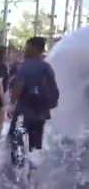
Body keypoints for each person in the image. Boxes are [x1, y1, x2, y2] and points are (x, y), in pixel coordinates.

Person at [8, 37, 59, 168]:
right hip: (41, 113)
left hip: (24, 111)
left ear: (33, 48)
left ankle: (17, 173)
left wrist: (11, 105)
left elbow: (19, 86)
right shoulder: (47, 67)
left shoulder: (25, 66)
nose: (25, 49)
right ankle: (33, 175)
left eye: (27, 46)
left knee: (15, 141)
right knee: (35, 147)